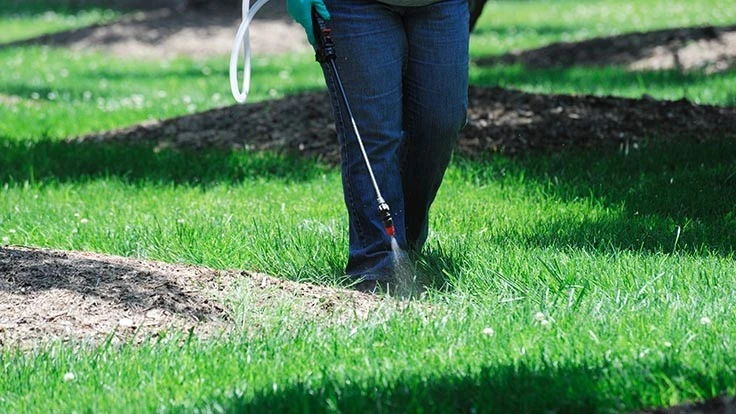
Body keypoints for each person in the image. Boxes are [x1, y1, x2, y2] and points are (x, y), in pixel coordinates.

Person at [287, 0, 469, 292]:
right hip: (354, 8)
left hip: (440, 4)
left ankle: (404, 240)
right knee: (371, 134)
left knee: (440, 123)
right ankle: (378, 266)